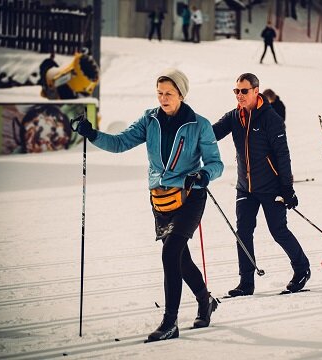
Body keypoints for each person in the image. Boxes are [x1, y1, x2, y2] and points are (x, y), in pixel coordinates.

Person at [74, 68, 224, 342]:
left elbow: (216, 164)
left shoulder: (199, 124)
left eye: (168, 93)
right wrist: (92, 134)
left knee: (170, 252)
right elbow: (120, 143)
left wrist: (203, 174)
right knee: (181, 258)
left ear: (181, 94)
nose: (163, 98)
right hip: (161, 197)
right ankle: (206, 301)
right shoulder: (149, 119)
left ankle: (170, 322)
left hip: (190, 196)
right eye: (159, 93)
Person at [212, 73, 311, 296]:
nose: (239, 95)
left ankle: (302, 269)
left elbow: (283, 155)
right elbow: (212, 133)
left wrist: (287, 188)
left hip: (271, 187)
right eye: (236, 91)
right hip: (245, 187)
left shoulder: (271, 119)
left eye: (244, 91)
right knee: (243, 233)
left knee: (278, 231)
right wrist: (191, 133)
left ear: (256, 91)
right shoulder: (234, 117)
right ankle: (246, 282)